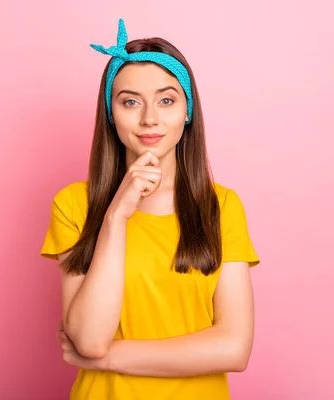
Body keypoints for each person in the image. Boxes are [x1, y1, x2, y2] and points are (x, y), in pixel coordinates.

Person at [39, 18, 260, 400]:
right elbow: (90, 339)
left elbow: (233, 348)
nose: (149, 119)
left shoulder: (220, 206)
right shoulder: (74, 205)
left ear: (187, 111)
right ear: (111, 113)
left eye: (166, 100)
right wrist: (116, 215)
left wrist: (108, 358)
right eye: (129, 102)